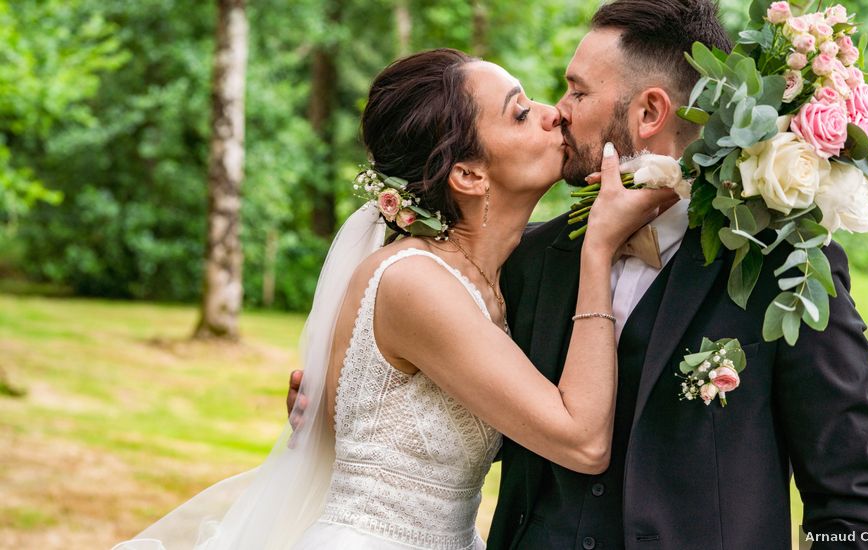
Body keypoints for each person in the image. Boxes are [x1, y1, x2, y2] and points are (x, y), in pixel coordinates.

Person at [285, 1, 868, 549]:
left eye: (577, 92)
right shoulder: (518, 265)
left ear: (650, 111)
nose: (558, 111)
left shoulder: (781, 274)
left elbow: (857, 506)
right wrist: (334, 393)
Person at [114, 48, 676, 550]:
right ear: (468, 173)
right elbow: (580, 441)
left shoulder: (499, 281)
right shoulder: (415, 282)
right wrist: (598, 249)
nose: (554, 111)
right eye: (520, 112)